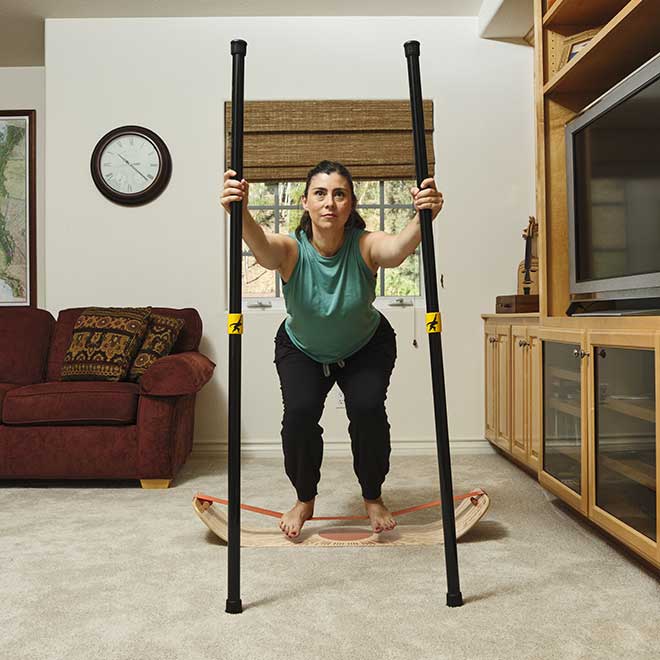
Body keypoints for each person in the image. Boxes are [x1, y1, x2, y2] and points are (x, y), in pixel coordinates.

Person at [221, 160, 443, 539]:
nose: (329, 202)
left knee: (367, 409)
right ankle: (304, 498)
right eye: (320, 194)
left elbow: (395, 251)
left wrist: (423, 216)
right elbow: (261, 249)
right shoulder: (291, 250)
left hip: (365, 346)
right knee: (300, 416)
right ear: (305, 202)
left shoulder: (364, 244)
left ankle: (372, 495)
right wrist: (239, 213)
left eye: (339, 194)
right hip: (302, 348)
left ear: (351, 203)